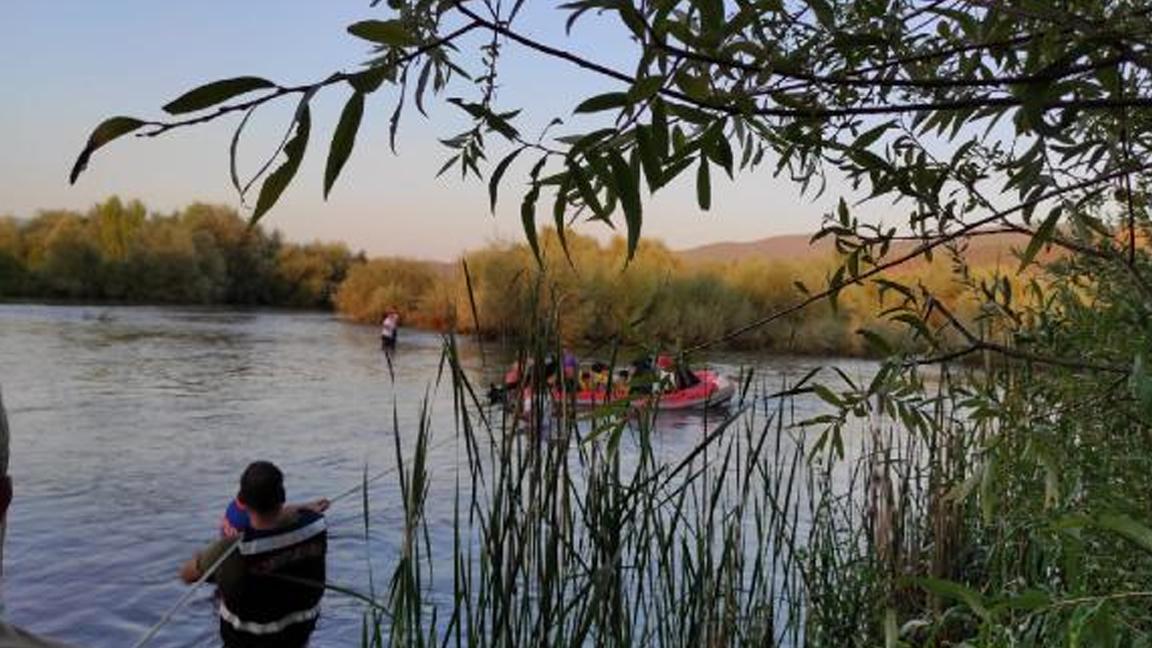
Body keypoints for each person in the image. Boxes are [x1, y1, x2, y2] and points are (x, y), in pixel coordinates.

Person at [182, 461, 328, 648]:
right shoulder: (315, 525)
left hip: (246, 640)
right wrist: (302, 508)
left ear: (242, 502)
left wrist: (207, 555)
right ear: (282, 498)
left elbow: (187, 575)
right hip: (299, 633)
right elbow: (282, 521)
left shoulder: (231, 549)